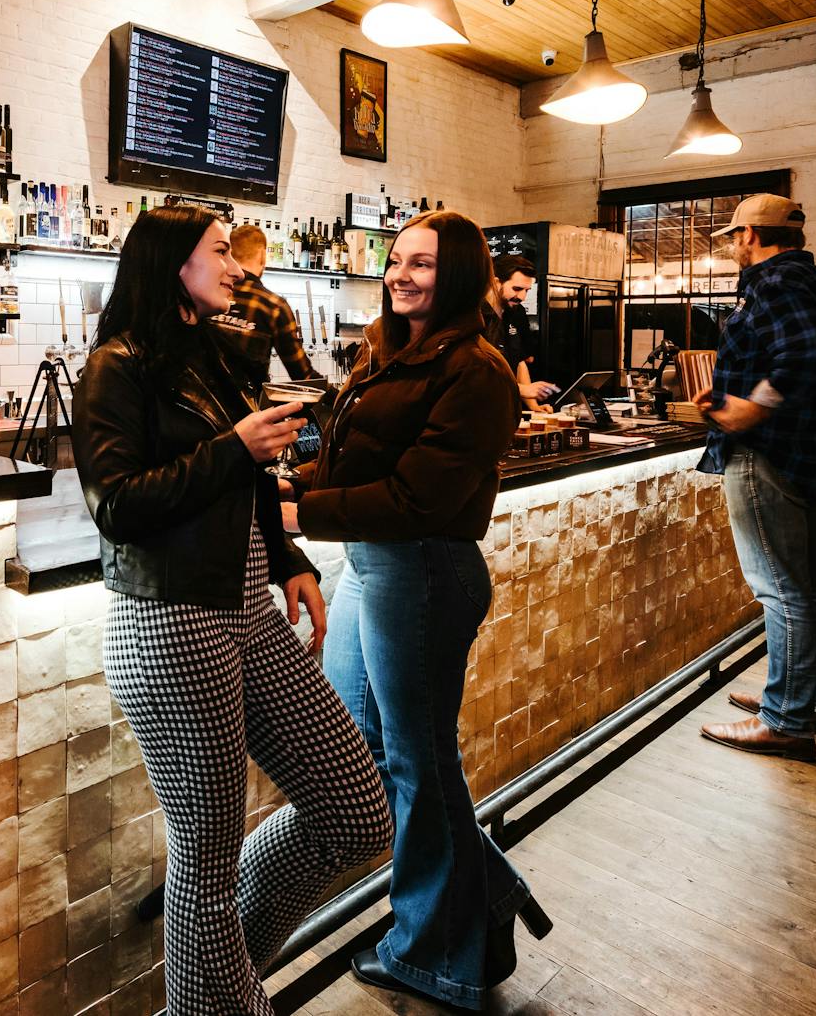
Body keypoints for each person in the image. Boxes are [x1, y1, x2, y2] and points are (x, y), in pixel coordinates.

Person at [74, 205, 392, 1016]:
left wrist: (287, 559)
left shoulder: (214, 354)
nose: (239, 267)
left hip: (250, 611)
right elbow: (115, 505)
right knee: (205, 866)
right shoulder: (116, 366)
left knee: (357, 808)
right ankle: (226, 999)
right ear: (172, 264)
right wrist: (232, 449)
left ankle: (215, 989)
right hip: (174, 624)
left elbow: (250, 484)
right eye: (220, 252)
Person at [280, 210, 550, 1009]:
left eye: (422, 265)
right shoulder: (387, 348)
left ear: (459, 274)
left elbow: (415, 496)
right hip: (372, 565)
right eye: (396, 261)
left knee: (418, 759)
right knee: (358, 744)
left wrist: (301, 516)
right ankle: (482, 891)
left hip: (423, 570)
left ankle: (430, 951)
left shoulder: (477, 369)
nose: (401, 275)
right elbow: (349, 449)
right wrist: (294, 478)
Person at [693, 194, 816, 762]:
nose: (735, 248)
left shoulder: (772, 282)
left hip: (769, 454)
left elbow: (807, 354)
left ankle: (784, 719)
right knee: (810, 586)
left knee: (781, 590)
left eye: (735, 238)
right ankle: (805, 701)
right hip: (810, 452)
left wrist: (752, 408)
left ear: (751, 236)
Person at [215, 222, 323, 390]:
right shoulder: (274, 306)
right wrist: (343, 398)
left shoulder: (212, 295)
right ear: (262, 255)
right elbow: (303, 376)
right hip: (248, 408)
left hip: (202, 407)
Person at [484, 253, 557, 410]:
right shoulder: (475, 316)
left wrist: (534, 406)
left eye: (526, 290)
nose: (522, 297)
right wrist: (523, 390)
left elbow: (519, 362)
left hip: (507, 408)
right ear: (496, 283)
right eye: (517, 289)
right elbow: (475, 375)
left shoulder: (517, 312)